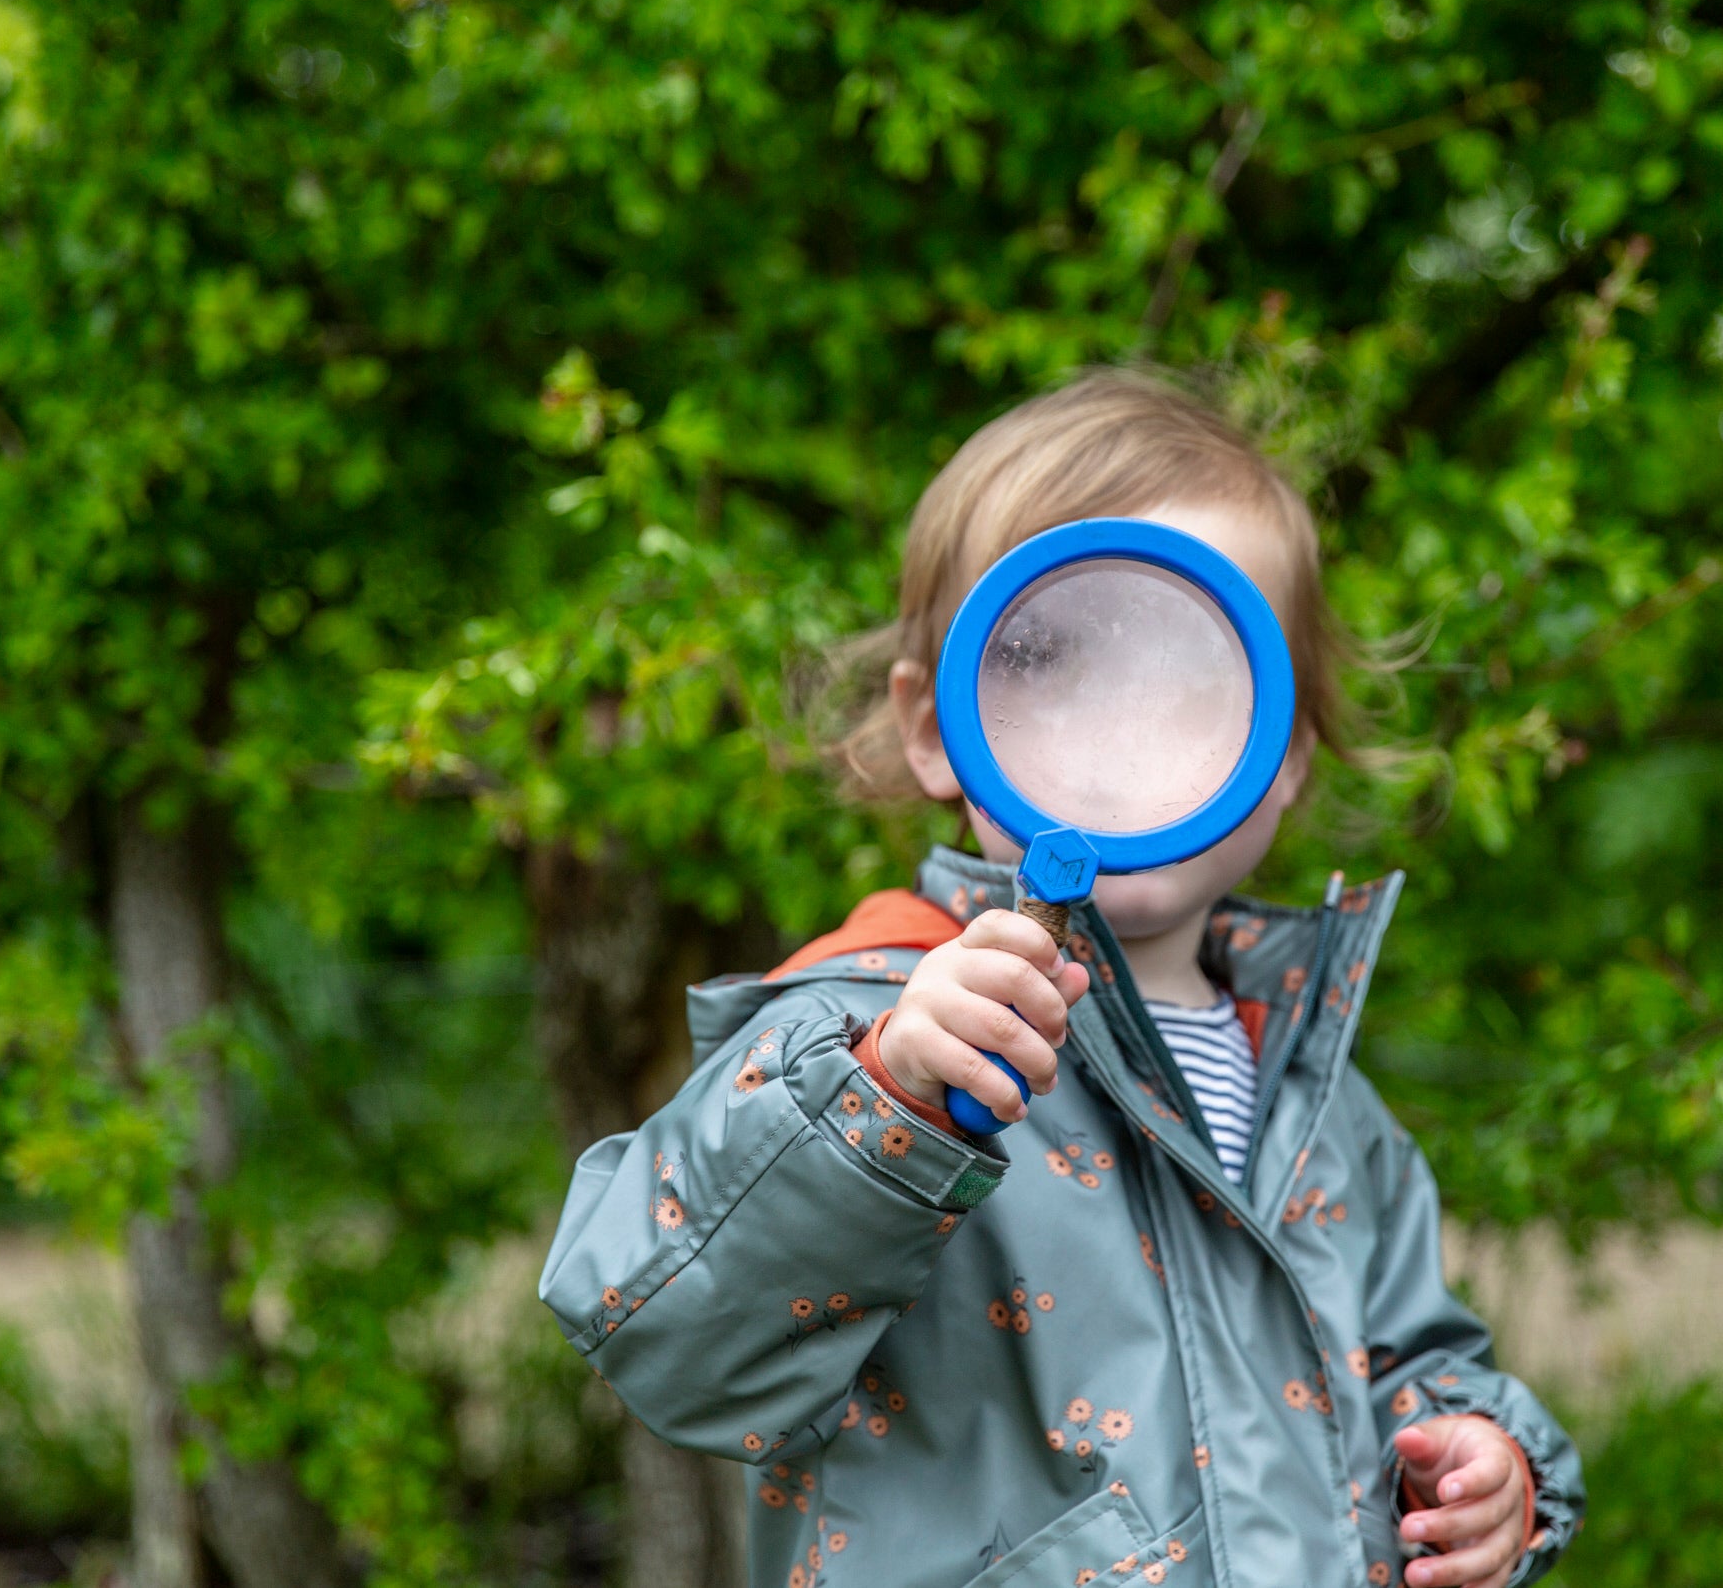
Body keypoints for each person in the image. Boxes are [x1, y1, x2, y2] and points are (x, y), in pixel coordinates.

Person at [540, 372, 1583, 1588]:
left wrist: (1481, 1459)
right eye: (1051, 662)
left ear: (1284, 751)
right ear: (938, 728)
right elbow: (670, 1340)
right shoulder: (872, 1033)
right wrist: (886, 1110)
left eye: (1191, 682)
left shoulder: (1322, 1097)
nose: (1123, 737)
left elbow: (1407, 1359)